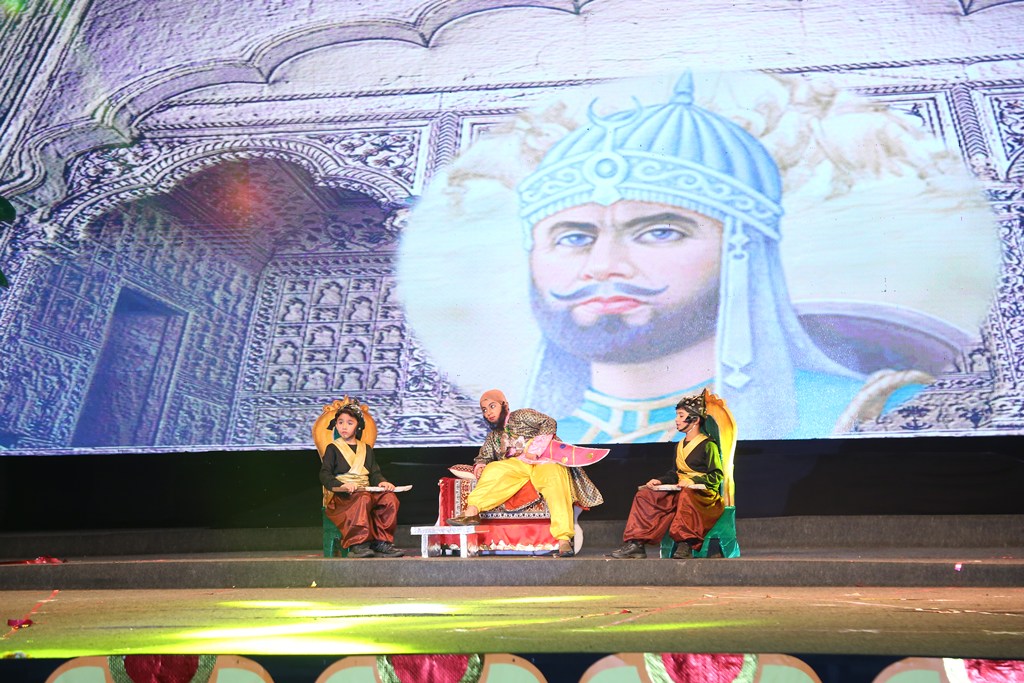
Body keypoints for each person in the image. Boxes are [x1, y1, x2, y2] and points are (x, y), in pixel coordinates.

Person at [517, 74, 932, 441]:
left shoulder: (870, 413)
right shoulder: (520, 444)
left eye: (660, 232)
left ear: (744, 254)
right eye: (573, 237)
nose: (603, 265)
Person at [446, 389, 605, 558]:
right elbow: (483, 457)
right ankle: (471, 512)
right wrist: (480, 466)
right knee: (493, 469)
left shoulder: (522, 415)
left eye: (492, 406)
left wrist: (535, 449)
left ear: (505, 405)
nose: (488, 413)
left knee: (555, 480)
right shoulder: (494, 436)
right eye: (484, 410)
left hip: (545, 460)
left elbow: (549, 422)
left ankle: (563, 540)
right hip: (518, 466)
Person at [610, 390, 724, 559]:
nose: (677, 420)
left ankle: (685, 544)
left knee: (686, 495)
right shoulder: (679, 446)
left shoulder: (709, 445)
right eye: (677, 415)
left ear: (695, 419)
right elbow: (675, 473)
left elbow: (716, 476)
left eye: (681, 415)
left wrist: (692, 482)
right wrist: (660, 481)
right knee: (645, 495)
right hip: (681, 490)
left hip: (702, 495)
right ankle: (637, 544)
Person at [318, 402, 405, 558]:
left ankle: (381, 542)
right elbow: (325, 474)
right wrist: (342, 485)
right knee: (364, 498)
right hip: (343, 497)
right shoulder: (333, 448)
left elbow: (374, 474)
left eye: (349, 423)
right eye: (340, 422)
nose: (344, 427)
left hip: (364, 491)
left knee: (389, 499)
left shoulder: (366, 449)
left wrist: (382, 482)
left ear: (358, 426)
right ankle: (358, 543)